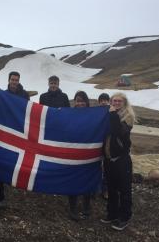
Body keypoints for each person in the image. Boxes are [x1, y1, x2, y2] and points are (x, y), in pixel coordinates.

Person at [100, 92, 136, 231]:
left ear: (124, 102)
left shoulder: (128, 117)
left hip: (121, 159)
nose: (116, 103)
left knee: (124, 190)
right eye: (113, 101)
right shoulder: (110, 114)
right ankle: (112, 213)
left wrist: (113, 114)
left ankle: (125, 217)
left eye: (119, 101)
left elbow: (118, 132)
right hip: (109, 159)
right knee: (112, 188)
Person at [67, 91, 91, 221]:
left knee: (88, 179)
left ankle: (87, 207)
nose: (80, 103)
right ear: (74, 102)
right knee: (73, 180)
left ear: (86, 102)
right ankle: (72, 208)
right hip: (74, 153)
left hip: (89, 153)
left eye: (82, 101)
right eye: (77, 101)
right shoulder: (70, 114)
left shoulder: (94, 115)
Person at [98, 92, 110, 200]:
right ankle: (95, 188)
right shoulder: (95, 113)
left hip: (108, 144)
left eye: (105, 100)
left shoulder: (112, 112)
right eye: (101, 100)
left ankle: (105, 189)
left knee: (106, 168)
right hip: (96, 143)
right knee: (96, 167)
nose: (103, 102)